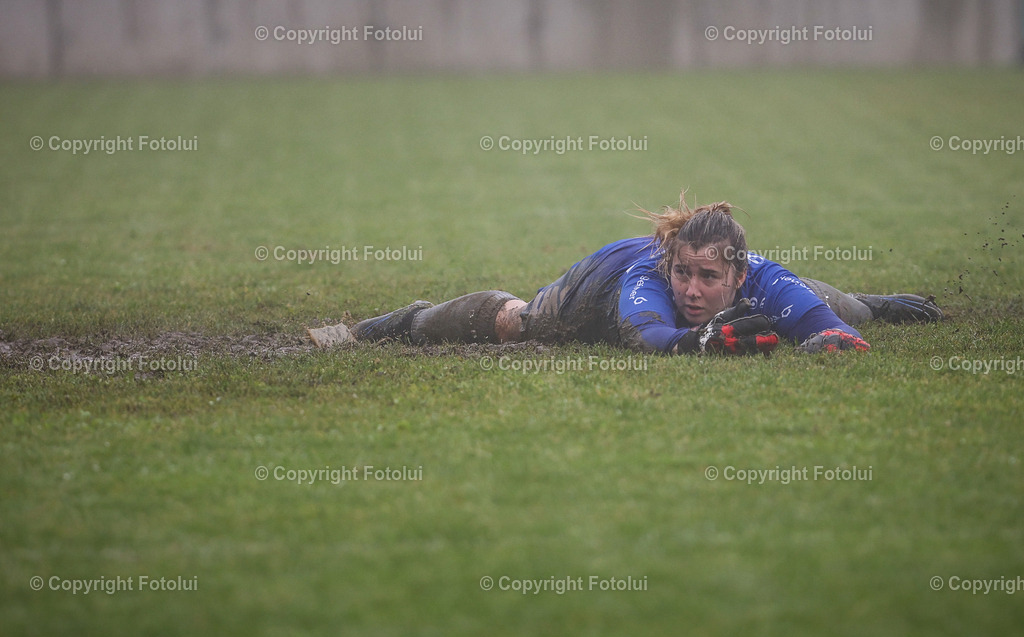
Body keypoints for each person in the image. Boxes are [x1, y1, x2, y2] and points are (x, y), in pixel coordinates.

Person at [307, 194, 942, 355]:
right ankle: (391, 323)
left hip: (761, 280)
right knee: (513, 322)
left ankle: (875, 300)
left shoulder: (757, 274)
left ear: (737, 273)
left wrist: (837, 333)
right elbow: (647, 336)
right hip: (585, 296)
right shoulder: (645, 282)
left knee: (842, 310)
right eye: (683, 275)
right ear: (669, 265)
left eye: (708, 280)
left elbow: (822, 326)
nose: (692, 290)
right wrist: (697, 341)